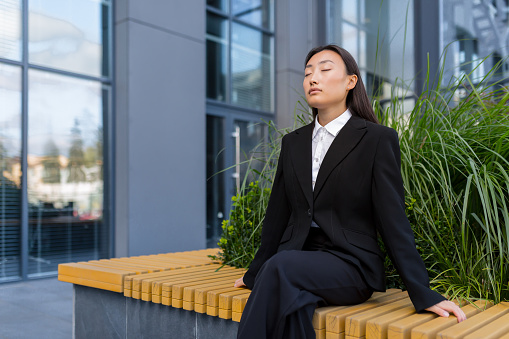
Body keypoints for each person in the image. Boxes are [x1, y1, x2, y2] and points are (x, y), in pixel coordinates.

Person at [233, 44, 466, 339]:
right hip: (298, 260)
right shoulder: (293, 143)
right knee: (295, 304)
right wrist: (255, 273)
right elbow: (277, 214)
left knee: (280, 267)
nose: (313, 78)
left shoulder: (376, 139)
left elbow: (393, 220)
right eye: (308, 74)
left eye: (325, 70)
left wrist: (423, 292)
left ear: (350, 82)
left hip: (350, 264)